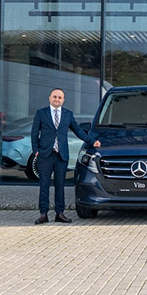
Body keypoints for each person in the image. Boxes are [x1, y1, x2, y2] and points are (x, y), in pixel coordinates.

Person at [31, 88, 98, 224]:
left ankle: (60, 213)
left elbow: (78, 130)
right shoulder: (41, 113)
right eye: (55, 97)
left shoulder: (68, 114)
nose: (57, 99)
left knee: (60, 185)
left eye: (60, 97)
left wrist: (92, 141)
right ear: (50, 98)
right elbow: (34, 133)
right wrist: (36, 150)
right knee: (44, 185)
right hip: (45, 154)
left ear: (63, 100)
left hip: (61, 155)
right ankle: (43, 214)